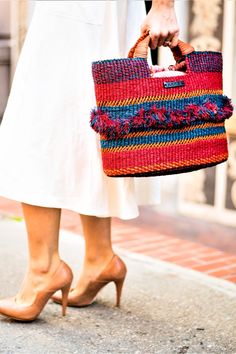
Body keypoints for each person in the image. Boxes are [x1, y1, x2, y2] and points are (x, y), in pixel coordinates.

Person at [0, 0, 179, 321]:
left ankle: (43, 268)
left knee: (39, 125)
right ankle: (99, 257)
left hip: (80, 10)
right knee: (95, 125)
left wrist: (165, 5)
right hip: (97, 11)